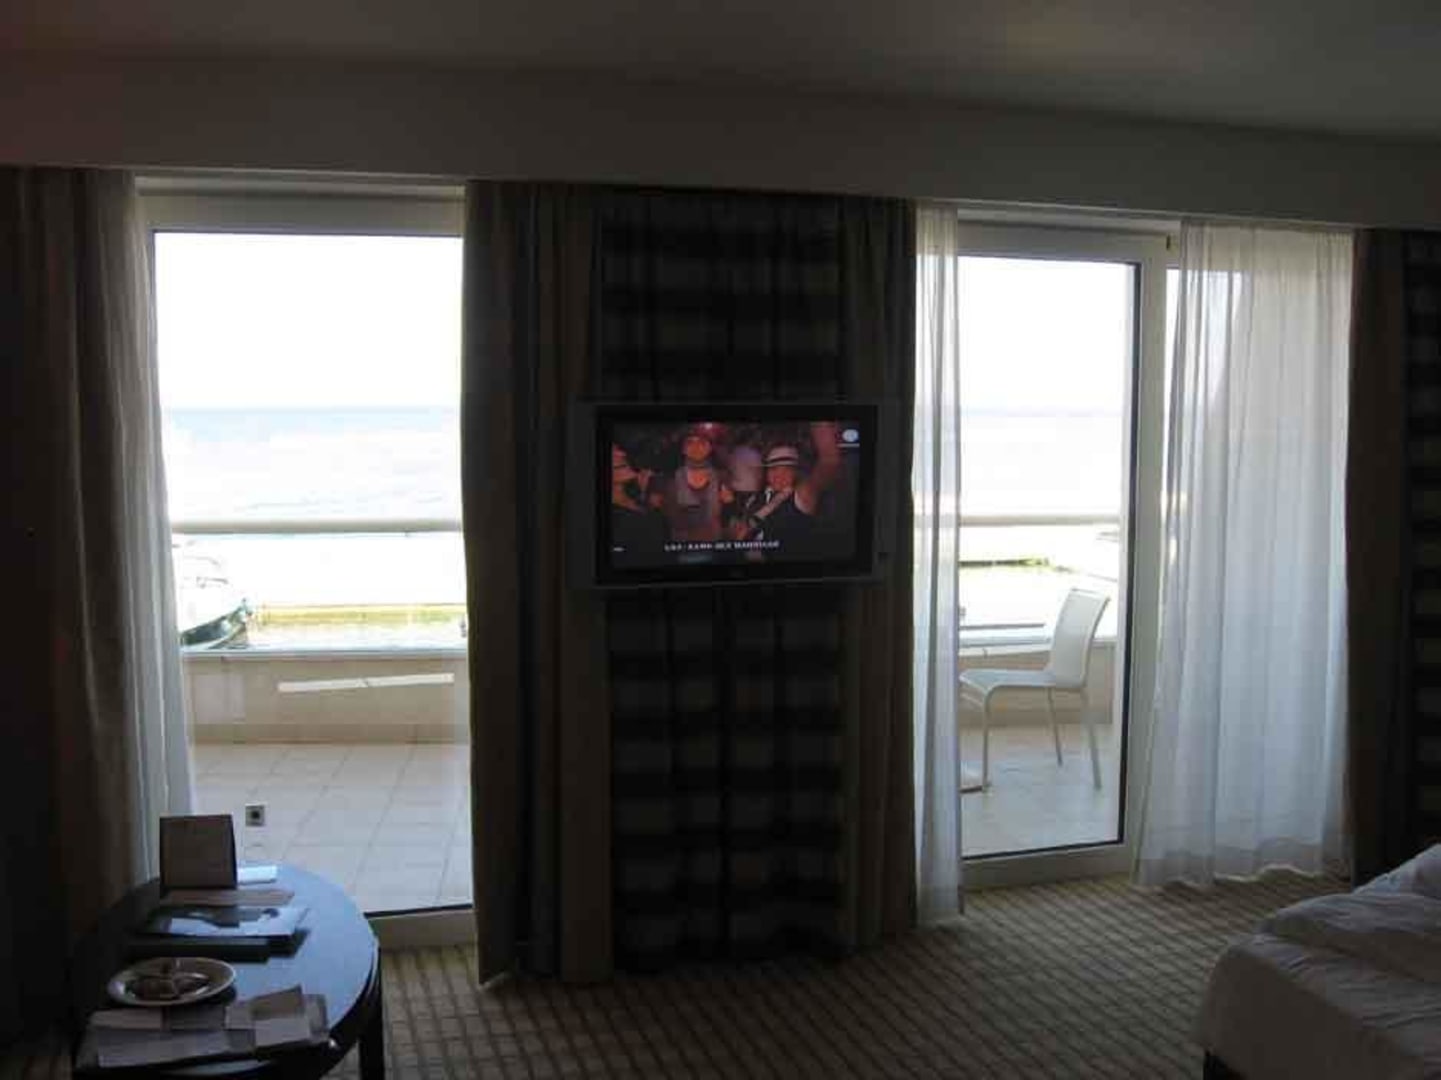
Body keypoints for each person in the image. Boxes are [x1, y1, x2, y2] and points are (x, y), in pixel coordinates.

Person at [744, 422, 843, 555]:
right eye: (774, 468)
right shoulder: (756, 498)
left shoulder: (801, 496)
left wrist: (820, 427)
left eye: (787, 468)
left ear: (797, 472)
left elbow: (829, 462)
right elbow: (741, 533)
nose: (779, 475)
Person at [663, 423, 731, 544]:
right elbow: (673, 519)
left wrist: (729, 504)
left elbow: (726, 519)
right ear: (683, 449)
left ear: (710, 448)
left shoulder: (721, 476)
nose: (696, 447)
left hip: (713, 540)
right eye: (690, 442)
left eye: (702, 442)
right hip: (683, 542)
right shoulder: (672, 478)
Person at [609, 444, 668, 565]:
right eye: (612, 452)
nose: (622, 454)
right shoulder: (615, 518)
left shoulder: (635, 496)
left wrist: (644, 496)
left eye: (618, 449)